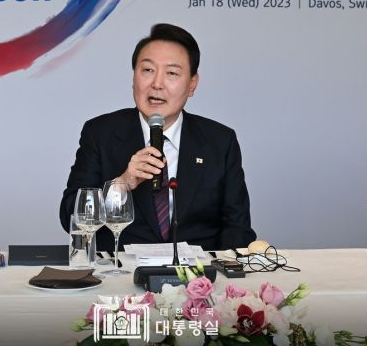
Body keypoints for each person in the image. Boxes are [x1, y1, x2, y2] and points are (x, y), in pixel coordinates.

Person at [59, 23, 256, 251]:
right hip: (120, 268)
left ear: (192, 84)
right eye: (147, 70)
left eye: (171, 73)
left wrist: (221, 269)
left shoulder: (219, 141)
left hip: (196, 270)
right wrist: (121, 184)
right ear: (134, 77)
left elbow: (237, 228)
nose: (157, 84)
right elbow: (70, 216)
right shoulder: (101, 133)